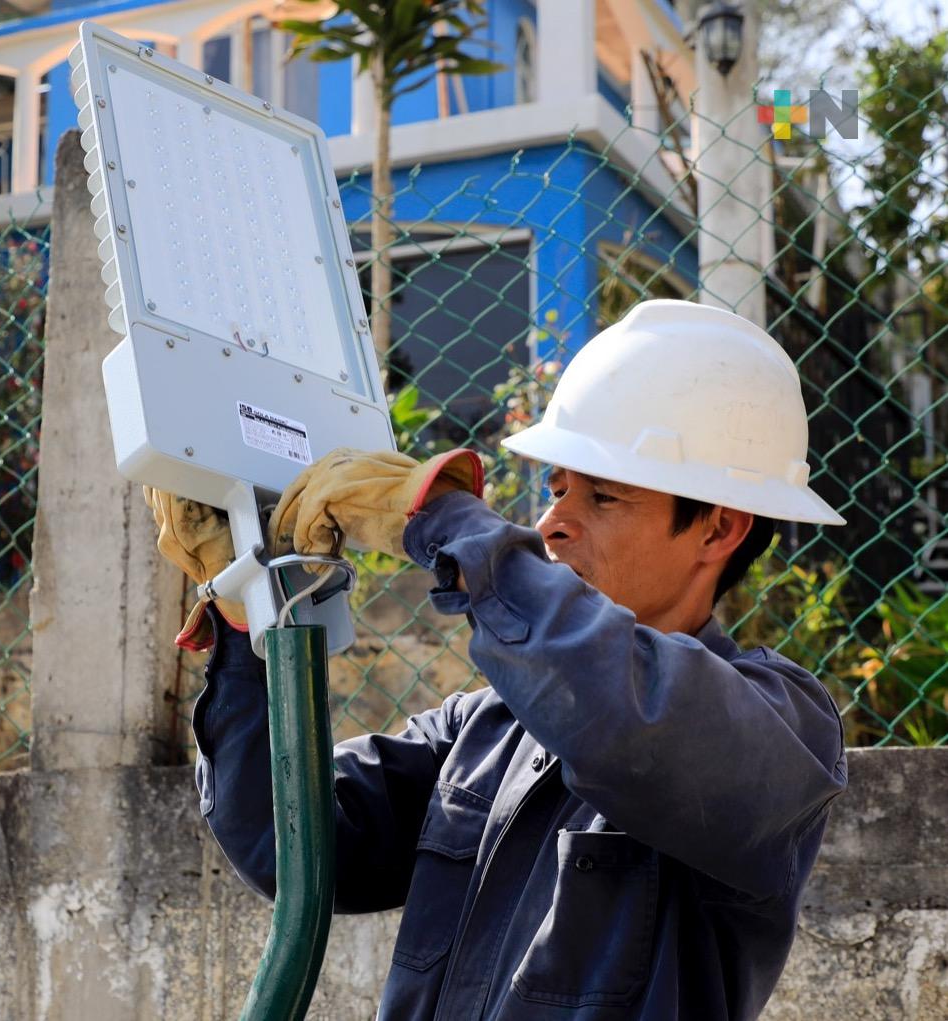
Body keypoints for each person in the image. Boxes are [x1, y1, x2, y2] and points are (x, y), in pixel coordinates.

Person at [146, 299, 849, 1020]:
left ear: (719, 529)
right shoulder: (483, 730)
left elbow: (617, 711)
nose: (551, 523)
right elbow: (285, 841)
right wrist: (249, 617)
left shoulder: (782, 728)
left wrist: (443, 518)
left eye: (604, 496)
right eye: (558, 489)